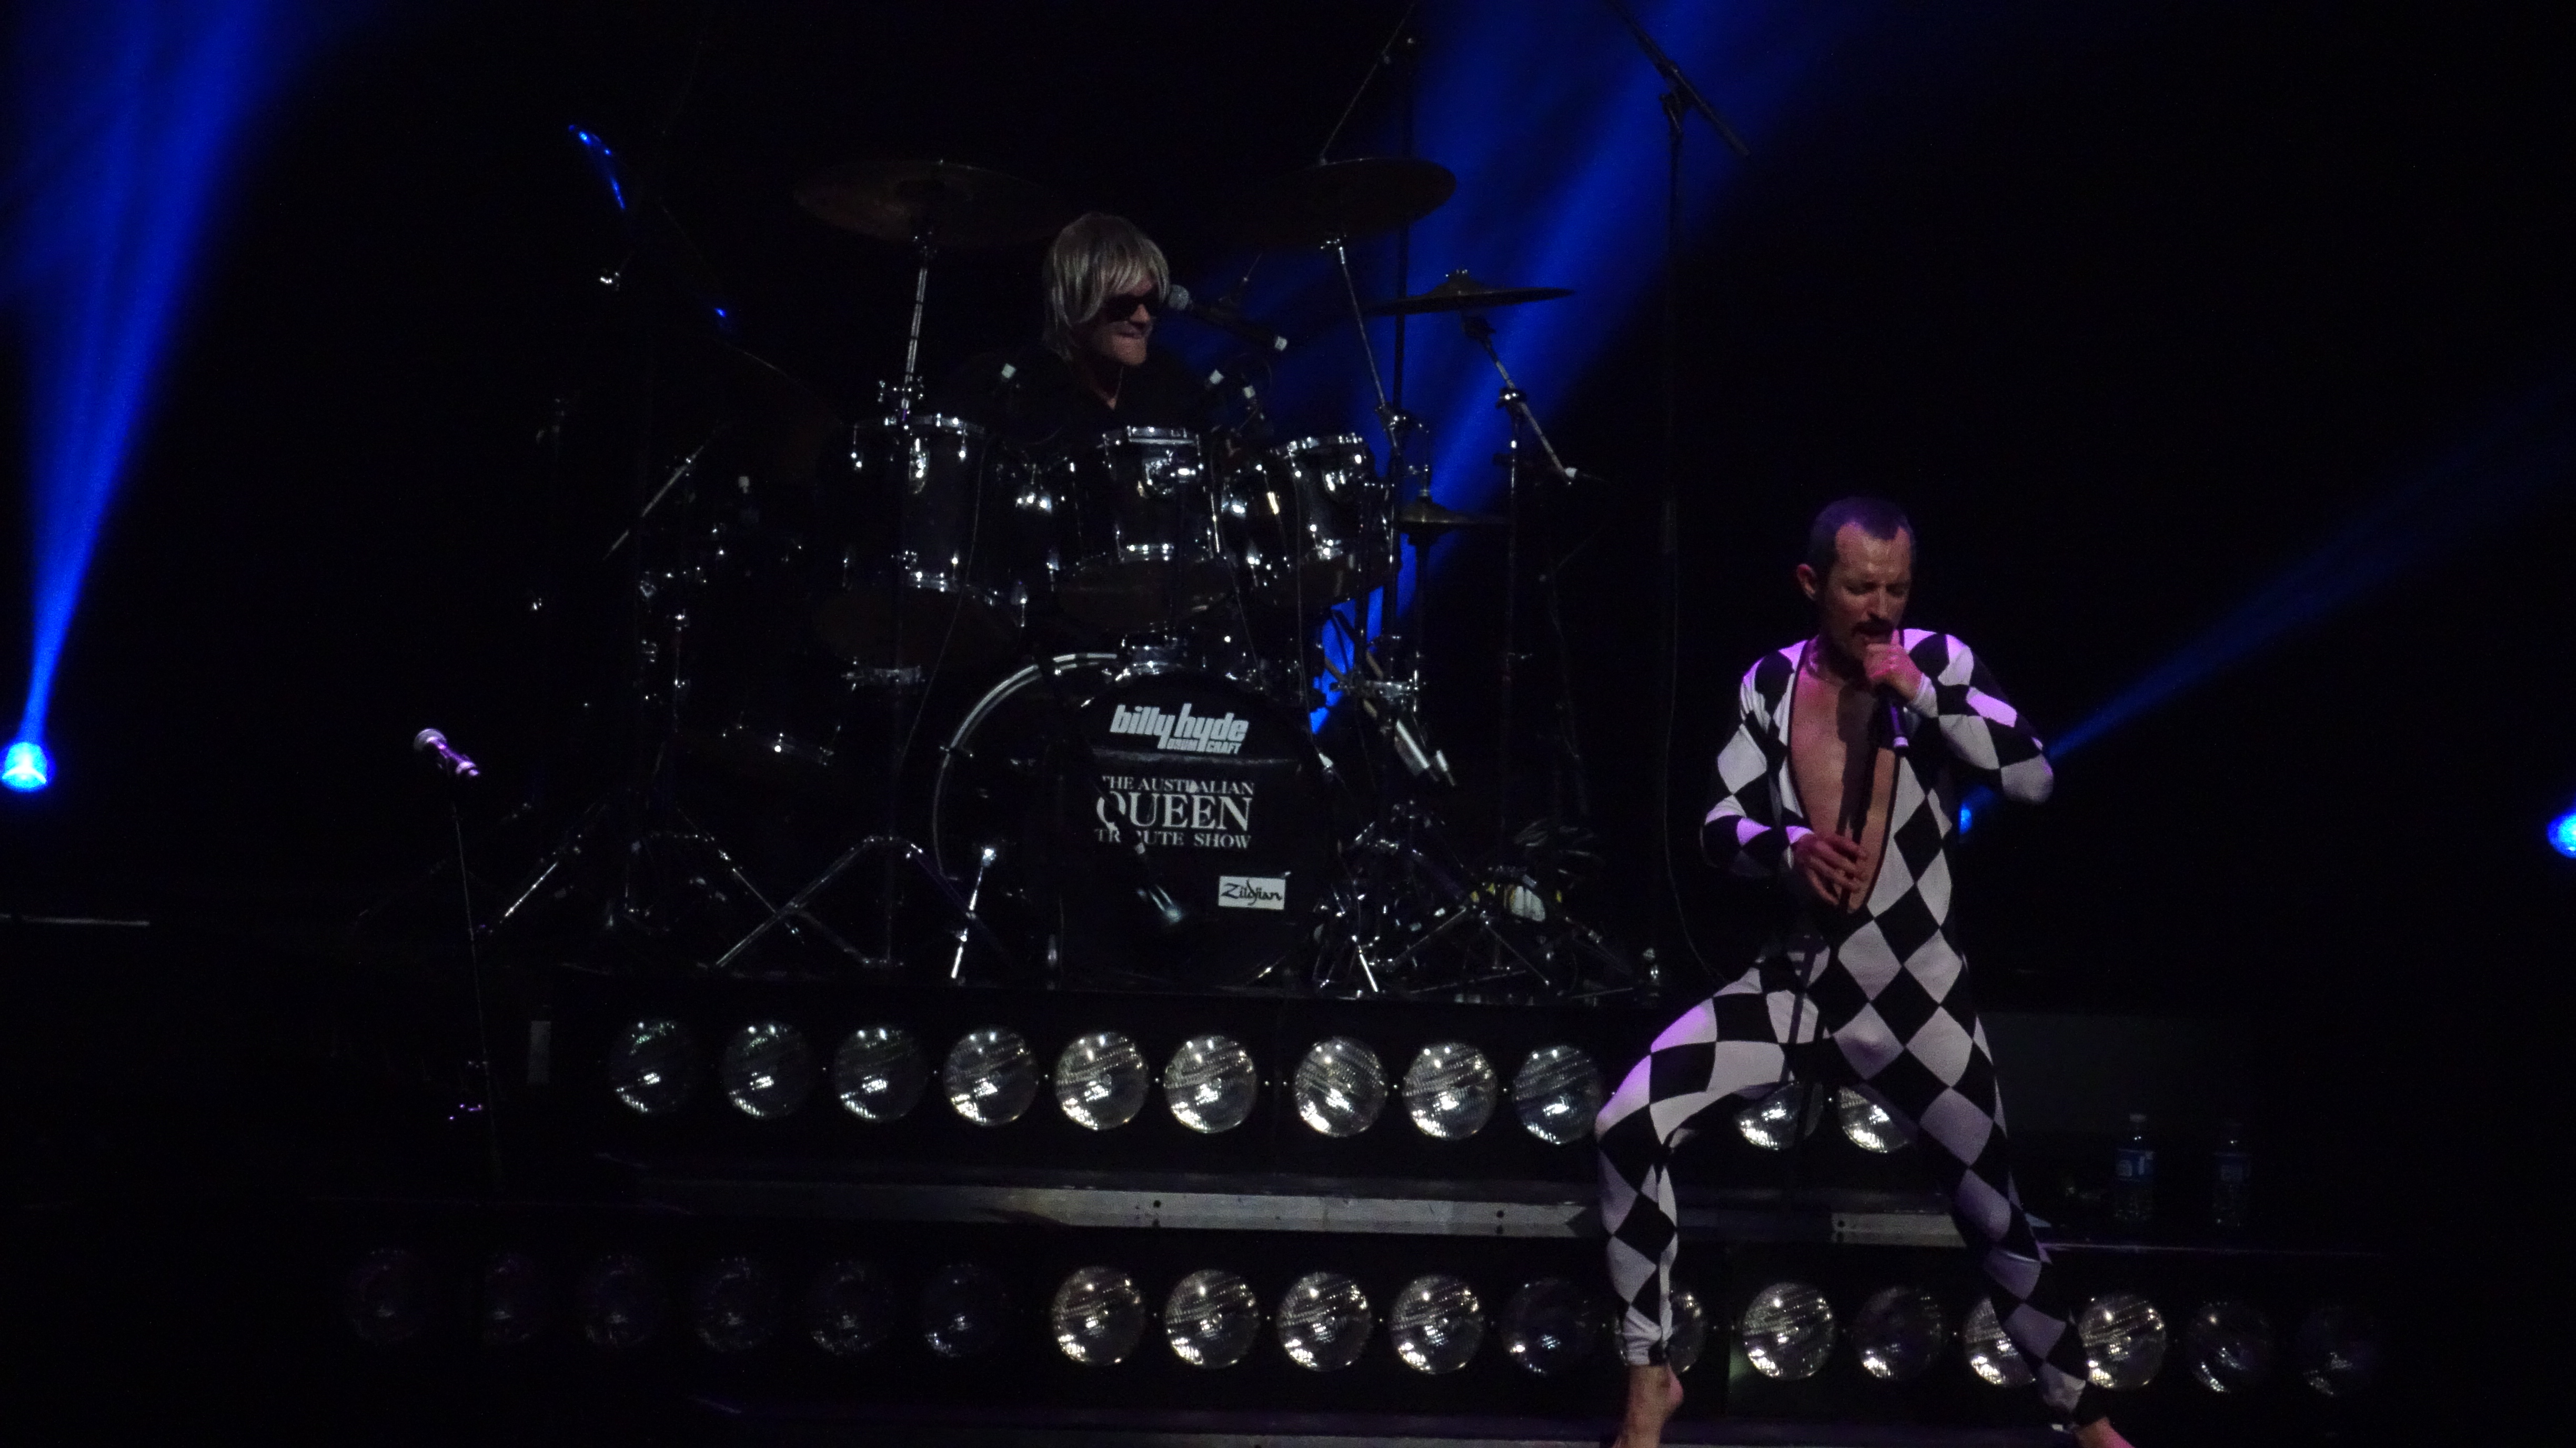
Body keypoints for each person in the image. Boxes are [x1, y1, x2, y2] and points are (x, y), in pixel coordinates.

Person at [1595, 498, 2134, 1448]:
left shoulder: (1941, 663)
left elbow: (2034, 777)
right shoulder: (1769, 682)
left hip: (1919, 997)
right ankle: (1650, 1378)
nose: (1880, 609)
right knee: (1625, 1125)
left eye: (1896, 588)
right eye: (1859, 588)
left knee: (1995, 1214)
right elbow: (1717, 826)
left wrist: (1920, 693)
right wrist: (1786, 846)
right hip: (1797, 988)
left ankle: (2085, 1418)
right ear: (1814, 585)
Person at [934, 211, 1217, 451]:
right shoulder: (1012, 396)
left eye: (1152, 302)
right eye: (1123, 304)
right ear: (1073, 301)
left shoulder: (1173, 386)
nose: (1143, 318)